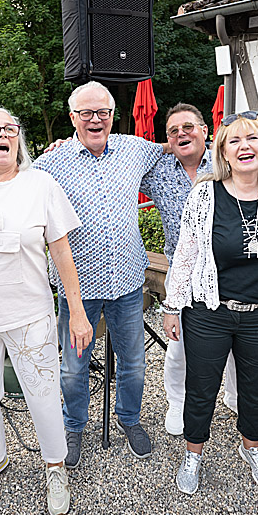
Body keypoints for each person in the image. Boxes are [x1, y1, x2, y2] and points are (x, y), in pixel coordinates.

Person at [0, 107, 91, 515]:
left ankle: (55, 467)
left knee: (43, 396)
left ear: (19, 141)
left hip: (30, 315)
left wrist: (75, 312)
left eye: (10, 128)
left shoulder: (40, 185)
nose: (2, 134)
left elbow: (61, 251)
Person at [162, 110, 258, 495]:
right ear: (223, 150)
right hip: (209, 313)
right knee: (201, 386)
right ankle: (193, 453)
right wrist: (173, 305)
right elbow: (186, 253)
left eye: (252, 138)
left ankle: (252, 447)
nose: (244, 146)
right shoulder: (206, 193)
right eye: (234, 140)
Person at [32, 80, 165, 468]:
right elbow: (12, 186)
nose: (95, 119)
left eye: (103, 112)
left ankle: (130, 419)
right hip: (78, 289)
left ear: (112, 115)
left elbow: (178, 148)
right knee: (73, 367)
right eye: (86, 113)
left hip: (126, 281)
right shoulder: (50, 163)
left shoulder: (134, 149)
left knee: (135, 361)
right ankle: (73, 426)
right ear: (72, 118)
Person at [139, 103, 239, 436]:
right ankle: (177, 402)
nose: (182, 133)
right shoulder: (157, 171)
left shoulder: (228, 160)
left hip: (230, 270)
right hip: (181, 273)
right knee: (179, 344)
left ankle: (236, 396)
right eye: (173, 131)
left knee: (234, 341)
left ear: (205, 130)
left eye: (189, 127)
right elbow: (117, 159)